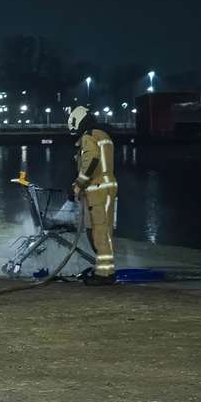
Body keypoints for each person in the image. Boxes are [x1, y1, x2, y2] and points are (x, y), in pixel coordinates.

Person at [68, 106, 118, 285]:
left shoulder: (89, 136)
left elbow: (92, 160)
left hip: (98, 190)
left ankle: (104, 275)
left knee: (99, 233)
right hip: (105, 188)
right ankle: (104, 270)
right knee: (102, 232)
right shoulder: (102, 135)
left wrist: (78, 185)